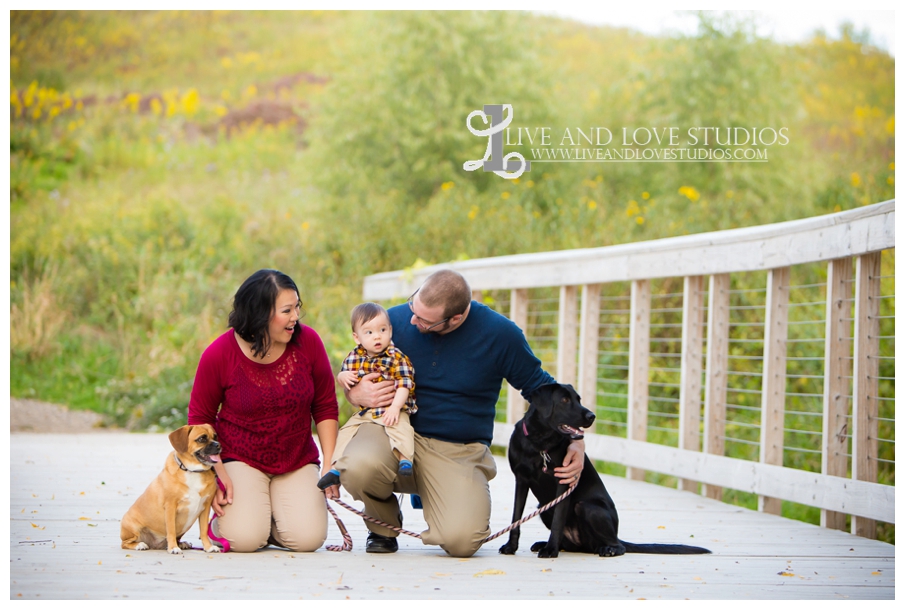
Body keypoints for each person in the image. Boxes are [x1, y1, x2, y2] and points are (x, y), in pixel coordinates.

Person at [328, 269, 585, 557]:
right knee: (357, 466)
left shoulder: (501, 335)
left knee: (463, 540)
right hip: (394, 432)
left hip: (457, 449)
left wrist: (575, 439)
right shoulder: (393, 321)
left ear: (456, 318)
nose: (412, 320)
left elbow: (543, 390)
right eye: (414, 306)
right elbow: (354, 366)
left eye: (424, 320)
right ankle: (383, 526)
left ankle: (441, 503)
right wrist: (355, 392)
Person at [187, 269, 339, 553]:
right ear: (260, 315)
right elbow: (199, 420)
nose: (296, 316)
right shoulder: (219, 354)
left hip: (296, 457)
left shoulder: (309, 343)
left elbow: (325, 405)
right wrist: (216, 474)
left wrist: (330, 464)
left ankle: (267, 516)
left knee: (307, 540)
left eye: (297, 307)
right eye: (286, 310)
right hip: (239, 458)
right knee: (243, 540)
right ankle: (251, 517)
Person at [317, 302, 417, 490]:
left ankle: (405, 460)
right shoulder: (354, 357)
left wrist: (396, 407)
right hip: (368, 412)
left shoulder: (397, 357)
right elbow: (345, 375)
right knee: (346, 431)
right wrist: (342, 376)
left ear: (390, 331)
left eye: (382, 330)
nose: (377, 336)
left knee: (401, 427)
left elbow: (405, 383)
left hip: (392, 408)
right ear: (357, 337)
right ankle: (336, 466)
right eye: (369, 332)